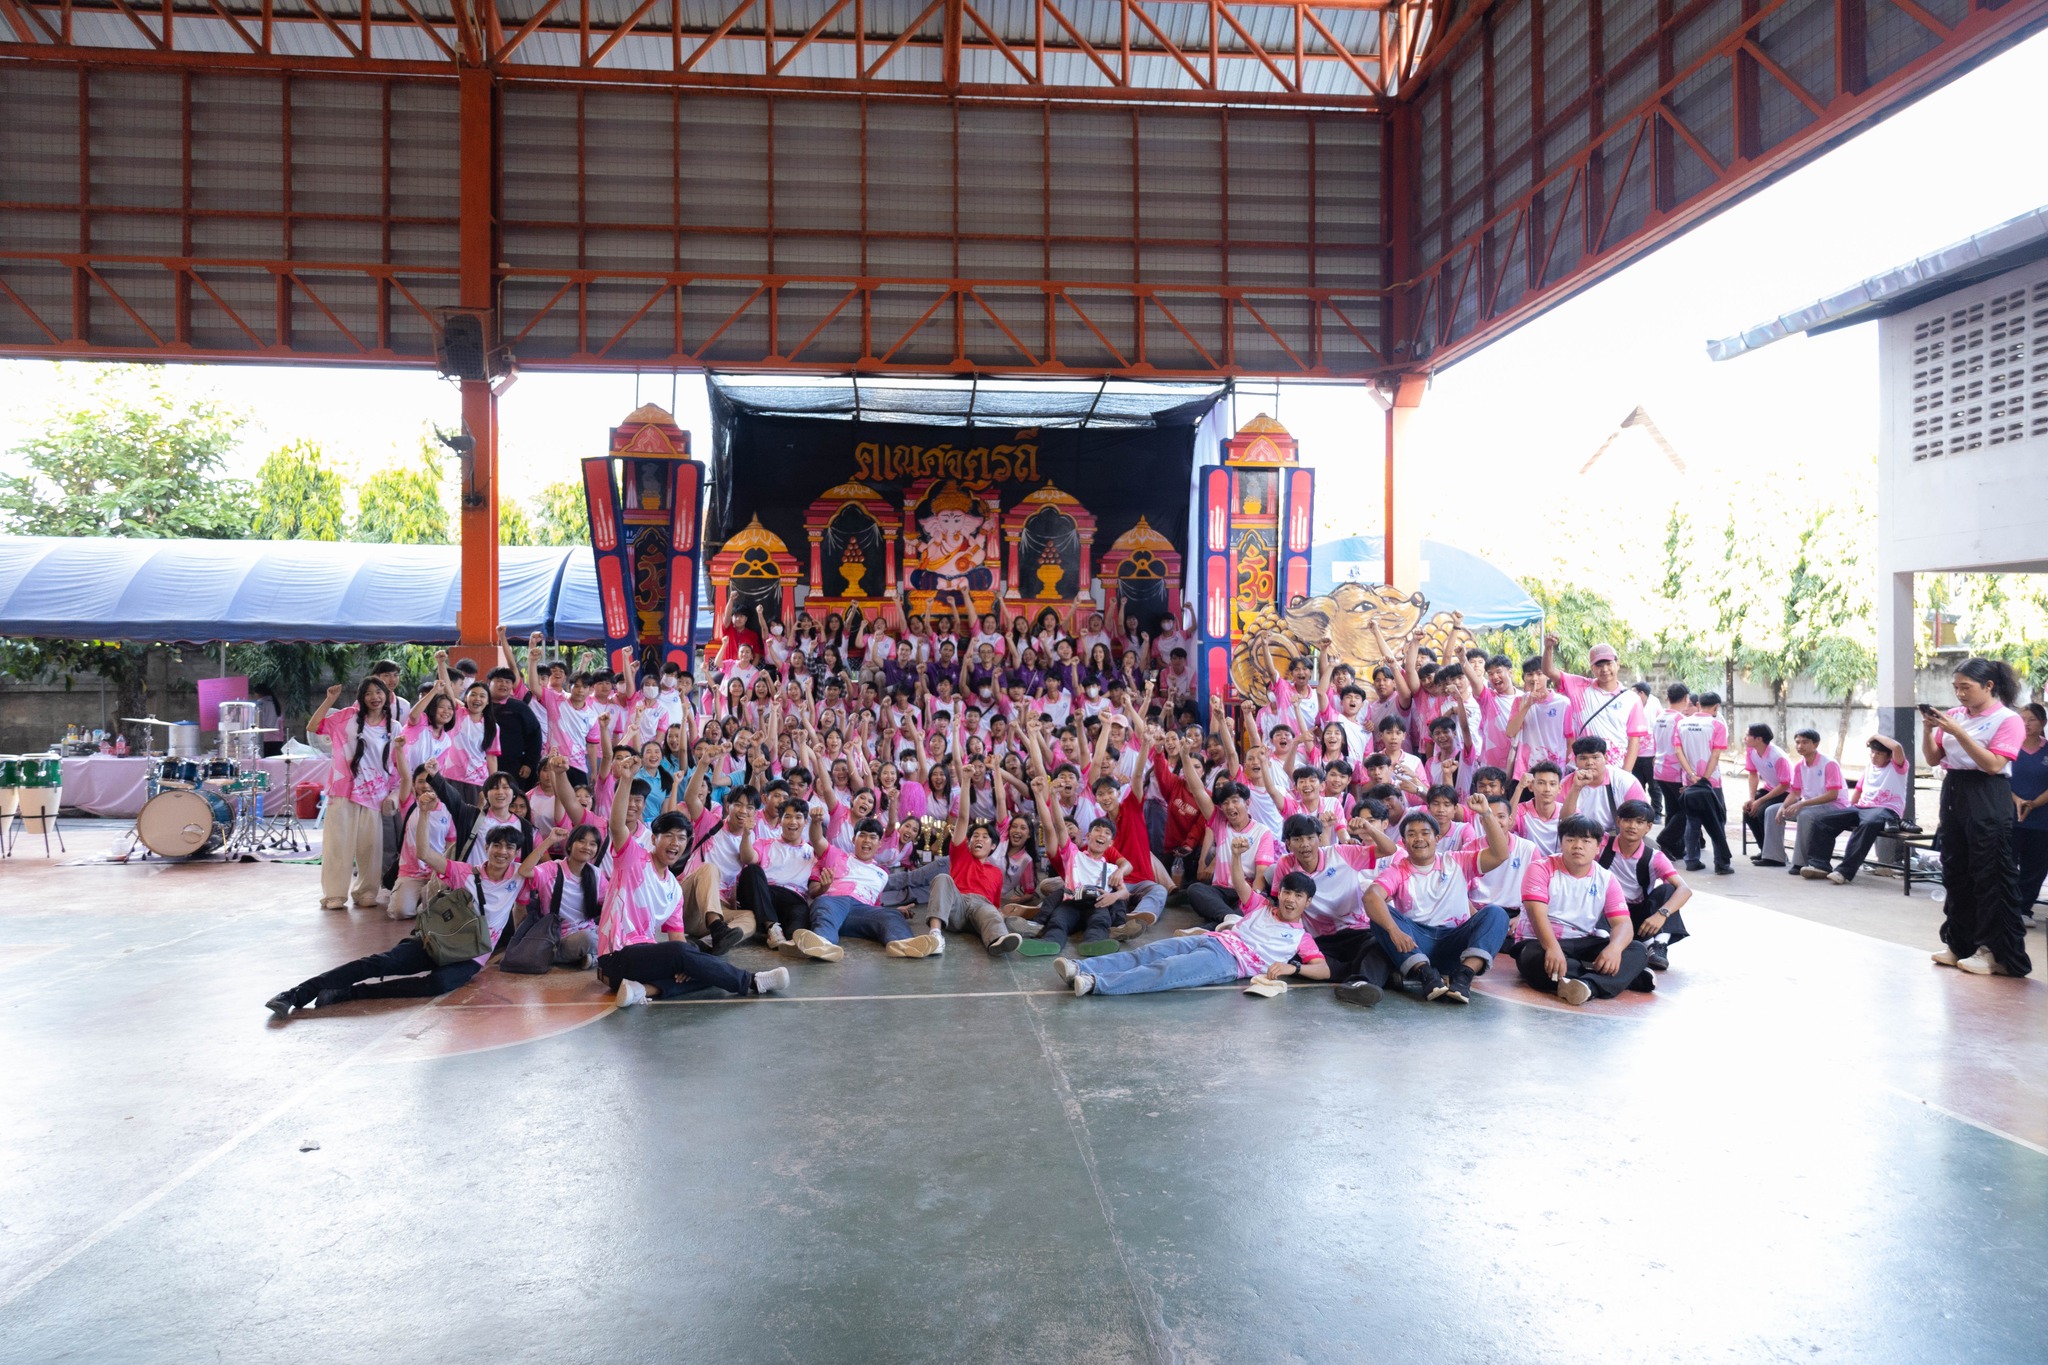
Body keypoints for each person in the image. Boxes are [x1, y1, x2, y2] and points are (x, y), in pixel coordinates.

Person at [265, 817, 550, 1015]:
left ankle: (348, 993)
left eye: (510, 847)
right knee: (381, 963)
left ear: (516, 853)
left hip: (472, 955)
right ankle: (295, 994)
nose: (502, 852)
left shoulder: (519, 877)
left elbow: (522, 902)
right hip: (436, 940)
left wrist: (548, 841)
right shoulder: (464, 872)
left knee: (438, 984)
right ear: (486, 847)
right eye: (497, 845)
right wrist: (424, 812)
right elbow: (425, 852)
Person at [595, 800, 790, 1005]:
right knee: (692, 959)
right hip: (615, 958)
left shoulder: (674, 889)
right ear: (653, 838)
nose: (675, 843)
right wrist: (626, 779)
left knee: (706, 970)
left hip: (643, 966)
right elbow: (617, 826)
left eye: (681, 838)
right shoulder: (633, 860)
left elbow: (677, 937)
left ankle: (642, 990)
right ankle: (753, 981)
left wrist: (688, 963)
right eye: (669, 835)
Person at [1056, 869, 1330, 996]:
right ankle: (1079, 967)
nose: (1290, 899)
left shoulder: (1300, 937)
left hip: (1228, 962)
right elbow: (1238, 881)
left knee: (1166, 969)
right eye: (1286, 892)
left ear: (1307, 902)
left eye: (1298, 895)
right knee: (1148, 951)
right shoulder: (1261, 906)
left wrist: (1293, 969)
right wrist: (1235, 855)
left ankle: (1098, 983)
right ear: (1279, 893)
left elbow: (1323, 970)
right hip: (1212, 939)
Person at [1923, 658, 2030, 977]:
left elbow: (1994, 765)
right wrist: (1928, 730)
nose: (1959, 694)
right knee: (1956, 869)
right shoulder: (1954, 715)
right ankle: (1961, 943)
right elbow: (1933, 758)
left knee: (1989, 873)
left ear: (1989, 686)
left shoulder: (2008, 720)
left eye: (1966, 687)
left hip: (1987, 793)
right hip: (1954, 791)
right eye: (1955, 687)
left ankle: (1993, 951)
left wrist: (1958, 732)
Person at [1359, 794, 1515, 1003]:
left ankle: (1463, 977)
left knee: (1496, 914)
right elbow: (1372, 896)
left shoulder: (1457, 861)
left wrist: (1486, 814)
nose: (1419, 839)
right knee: (1379, 917)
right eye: (1412, 835)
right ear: (1403, 843)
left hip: (1454, 941)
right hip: (1414, 944)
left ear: (1437, 838)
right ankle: (1427, 976)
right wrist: (1394, 931)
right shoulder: (1398, 869)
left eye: (1425, 833)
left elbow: (1500, 854)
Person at [1513, 814, 1646, 1005]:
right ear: (1561, 843)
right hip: (1541, 941)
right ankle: (1621, 978)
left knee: (1637, 950)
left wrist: (1614, 949)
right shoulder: (1540, 868)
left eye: (1586, 840)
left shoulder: (1606, 879)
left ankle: (1588, 986)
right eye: (1571, 839)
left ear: (1598, 847)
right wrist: (1552, 947)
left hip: (1584, 941)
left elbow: (1623, 924)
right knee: (1532, 958)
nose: (1578, 846)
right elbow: (1536, 914)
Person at [1270, 810, 1397, 1006]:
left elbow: (1390, 849)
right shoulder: (1285, 864)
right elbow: (1282, 905)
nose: (1304, 844)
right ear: (1288, 843)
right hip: (1319, 938)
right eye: (1297, 839)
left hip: (1356, 931)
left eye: (1310, 838)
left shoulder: (1342, 853)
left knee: (1379, 944)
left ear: (1319, 838)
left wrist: (1368, 828)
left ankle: (1360, 983)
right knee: (1294, 957)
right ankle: (1371, 976)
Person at [308, 677, 400, 911]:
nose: (374, 697)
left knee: (371, 848)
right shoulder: (347, 717)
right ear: (361, 697)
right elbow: (313, 726)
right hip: (343, 790)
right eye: (368, 693)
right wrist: (330, 700)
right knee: (338, 846)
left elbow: (397, 763)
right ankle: (334, 895)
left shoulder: (395, 726)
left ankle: (366, 892)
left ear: (387, 696)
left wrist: (394, 793)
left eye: (378, 692)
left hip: (375, 794)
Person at [793, 818, 938, 961]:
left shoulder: (882, 874)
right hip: (835, 903)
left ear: (880, 843)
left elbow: (875, 905)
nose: (867, 840)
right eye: (862, 835)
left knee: (892, 915)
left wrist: (895, 911)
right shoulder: (837, 855)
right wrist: (816, 821)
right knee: (824, 905)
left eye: (872, 837)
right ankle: (823, 943)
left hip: (860, 912)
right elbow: (817, 839)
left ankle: (903, 943)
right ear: (853, 839)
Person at [919, 773, 1026, 956]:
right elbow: (962, 817)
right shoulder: (961, 854)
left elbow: (994, 905)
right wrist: (966, 780)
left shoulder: (996, 873)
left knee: (991, 914)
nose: (979, 839)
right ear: (968, 842)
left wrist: (999, 913)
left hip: (981, 908)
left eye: (985, 837)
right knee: (942, 878)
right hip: (957, 904)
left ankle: (997, 941)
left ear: (992, 846)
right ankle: (935, 936)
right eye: (975, 836)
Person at [1799, 734, 1909, 885]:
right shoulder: (1870, 767)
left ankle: (1844, 871)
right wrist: (1848, 810)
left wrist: (1875, 736)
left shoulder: (1897, 767)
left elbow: (1896, 747)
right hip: (1860, 807)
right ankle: (1820, 864)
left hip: (1885, 809)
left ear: (1889, 756)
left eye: (1879, 753)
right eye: (1872, 752)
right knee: (1822, 820)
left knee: (1868, 824)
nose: (1874, 756)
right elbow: (1859, 789)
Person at [1599, 800, 1691, 972]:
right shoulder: (1601, 845)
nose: (1632, 826)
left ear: (1648, 827)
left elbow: (1685, 890)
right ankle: (1605, 943)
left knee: (1669, 890)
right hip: (1607, 912)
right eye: (1628, 820)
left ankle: (1658, 945)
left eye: (1639, 822)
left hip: (1639, 915)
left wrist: (1661, 914)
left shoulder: (1654, 857)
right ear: (1618, 821)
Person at [735, 800, 826, 950]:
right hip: (765, 895)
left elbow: (813, 891)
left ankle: (792, 942)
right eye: (788, 817)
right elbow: (747, 858)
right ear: (780, 820)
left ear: (804, 822)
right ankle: (772, 927)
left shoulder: (812, 853)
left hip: (794, 899)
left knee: (797, 930)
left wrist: (824, 887)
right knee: (752, 870)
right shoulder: (764, 843)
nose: (793, 822)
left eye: (798, 817)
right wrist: (746, 835)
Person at [524, 822, 609, 969]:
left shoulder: (596, 874)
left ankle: (587, 956)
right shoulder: (552, 869)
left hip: (588, 930)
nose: (587, 847)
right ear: (569, 845)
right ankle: (591, 956)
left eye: (592, 844)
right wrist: (549, 841)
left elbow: (609, 904)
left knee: (618, 934)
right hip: (557, 937)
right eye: (581, 841)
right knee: (588, 939)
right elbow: (524, 871)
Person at [1667, 692, 1733, 875]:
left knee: (1692, 820)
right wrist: (1705, 778)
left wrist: (1691, 774)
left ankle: (1692, 860)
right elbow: (1716, 754)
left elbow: (1678, 752)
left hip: (1689, 781)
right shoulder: (1716, 725)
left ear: (1697, 704)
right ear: (1716, 707)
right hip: (1711, 782)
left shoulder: (1681, 723)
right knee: (1717, 820)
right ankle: (1722, 863)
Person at [1760, 729, 1844, 873]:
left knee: (1805, 815)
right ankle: (1774, 857)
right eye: (1798, 742)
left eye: (1805, 742)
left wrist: (1801, 803)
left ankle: (1801, 863)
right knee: (1772, 810)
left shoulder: (1829, 763)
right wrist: (1784, 807)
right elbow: (1795, 792)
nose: (1800, 746)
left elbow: (1832, 795)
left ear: (1816, 744)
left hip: (1833, 806)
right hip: (1810, 804)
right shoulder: (1799, 766)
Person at [2011, 704, 2048, 914]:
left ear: (2043, 722)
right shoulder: (2009, 747)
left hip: (2042, 820)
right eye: (2022, 719)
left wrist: (2035, 804)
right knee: (2007, 865)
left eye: (2031, 719)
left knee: (2035, 867)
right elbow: (1999, 778)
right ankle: (2007, 911)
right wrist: (2016, 799)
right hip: (2010, 817)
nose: (2026, 723)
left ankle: (2024, 910)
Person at [1741, 723, 1794, 864]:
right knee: (1748, 811)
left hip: (1788, 792)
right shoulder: (1751, 751)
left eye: (1747, 735)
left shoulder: (1778, 756)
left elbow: (1785, 784)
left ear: (1758, 739)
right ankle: (1765, 850)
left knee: (1762, 811)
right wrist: (1752, 798)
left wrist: (1760, 801)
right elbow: (1753, 774)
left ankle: (1775, 856)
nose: (1745, 738)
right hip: (1770, 788)